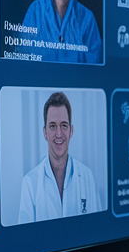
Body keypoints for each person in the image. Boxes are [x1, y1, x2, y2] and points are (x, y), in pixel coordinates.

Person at [18, 91, 101, 223]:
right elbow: (26, 240)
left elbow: (98, 230)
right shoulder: (29, 183)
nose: (58, 134)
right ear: (44, 132)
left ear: (71, 130)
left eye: (63, 126)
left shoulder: (87, 177)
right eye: (52, 126)